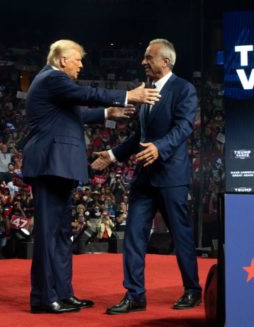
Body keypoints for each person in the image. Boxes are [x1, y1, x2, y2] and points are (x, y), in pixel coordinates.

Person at [22, 39, 160, 314]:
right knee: (49, 234)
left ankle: (63, 293)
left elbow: (76, 114)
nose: (81, 65)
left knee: (62, 234)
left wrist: (108, 113)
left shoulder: (56, 87)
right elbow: (85, 94)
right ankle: (43, 297)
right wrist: (126, 96)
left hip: (60, 166)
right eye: (77, 60)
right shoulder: (52, 79)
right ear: (62, 60)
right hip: (50, 165)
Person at [91, 38, 202, 314]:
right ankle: (135, 294)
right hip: (144, 177)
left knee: (181, 235)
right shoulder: (147, 91)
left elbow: (183, 127)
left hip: (171, 176)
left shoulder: (184, 89)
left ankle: (192, 290)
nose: (143, 62)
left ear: (165, 61)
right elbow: (139, 137)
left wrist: (159, 147)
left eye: (147, 57)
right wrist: (113, 155)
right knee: (133, 235)